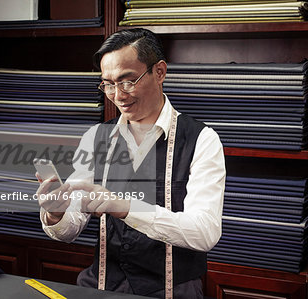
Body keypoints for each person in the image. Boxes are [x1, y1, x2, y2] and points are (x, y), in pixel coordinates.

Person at [35, 28, 225, 298]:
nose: (118, 95)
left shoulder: (201, 140)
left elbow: (205, 232)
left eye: (127, 81)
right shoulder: (96, 137)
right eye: (108, 84)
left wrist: (124, 207)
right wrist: (56, 213)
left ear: (159, 72)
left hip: (173, 291)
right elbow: (71, 227)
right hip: (101, 286)